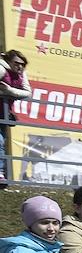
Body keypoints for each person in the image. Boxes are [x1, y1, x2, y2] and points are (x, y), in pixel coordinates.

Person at [0, 50, 32, 186]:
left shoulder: (21, 74)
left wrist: (9, 91)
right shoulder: (1, 69)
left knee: (1, 142)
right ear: (8, 61)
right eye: (17, 63)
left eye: (23, 64)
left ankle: (0, 173)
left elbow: (27, 93)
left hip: (3, 113)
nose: (20, 66)